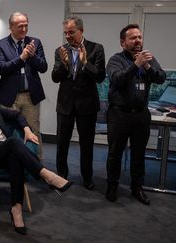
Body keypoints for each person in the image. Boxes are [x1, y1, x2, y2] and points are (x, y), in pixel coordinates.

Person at [0, 84, 72, 235]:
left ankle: (16, 208)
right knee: (12, 143)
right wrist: (7, 145)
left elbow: (17, 115)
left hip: (7, 153)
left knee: (15, 158)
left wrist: (26, 129)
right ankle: (46, 175)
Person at [105, 24, 166, 205]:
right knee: (115, 153)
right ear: (123, 42)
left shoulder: (148, 58)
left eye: (139, 37)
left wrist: (147, 65)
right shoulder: (115, 59)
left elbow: (161, 77)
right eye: (133, 38)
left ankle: (137, 187)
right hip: (119, 114)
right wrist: (136, 64)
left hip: (140, 115)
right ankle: (112, 185)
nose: (138, 40)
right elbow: (117, 79)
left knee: (139, 153)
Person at [51, 16, 106, 190]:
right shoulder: (61, 50)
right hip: (65, 104)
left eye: (71, 32)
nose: (68, 36)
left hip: (87, 104)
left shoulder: (96, 48)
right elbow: (55, 78)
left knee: (86, 144)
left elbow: (100, 76)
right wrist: (64, 64)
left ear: (81, 30)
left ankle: (87, 177)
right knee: (62, 143)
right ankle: (61, 176)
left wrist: (85, 62)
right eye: (65, 33)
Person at [0, 12, 47, 159]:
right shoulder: (0, 45)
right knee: (9, 130)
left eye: (26, 25)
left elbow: (43, 67)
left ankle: (37, 164)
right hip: (10, 96)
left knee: (34, 130)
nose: (24, 29)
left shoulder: (35, 42)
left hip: (31, 96)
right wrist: (21, 58)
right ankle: (10, 163)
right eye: (20, 26)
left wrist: (32, 55)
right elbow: (1, 68)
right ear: (11, 27)